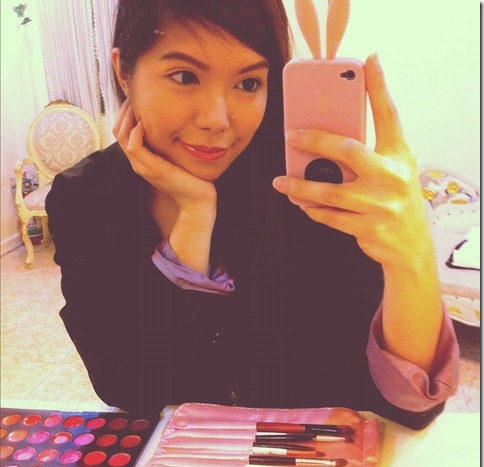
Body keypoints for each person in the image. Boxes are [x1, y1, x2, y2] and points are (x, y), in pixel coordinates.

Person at [46, 0, 459, 429]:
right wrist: (194, 219)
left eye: (248, 83)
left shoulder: (303, 187)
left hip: (313, 455)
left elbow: (408, 407)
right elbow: (133, 390)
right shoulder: (86, 196)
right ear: (124, 72)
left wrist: (412, 256)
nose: (217, 120)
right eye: (185, 76)